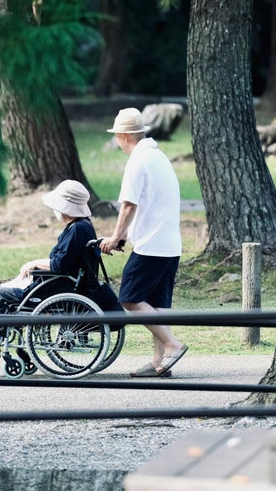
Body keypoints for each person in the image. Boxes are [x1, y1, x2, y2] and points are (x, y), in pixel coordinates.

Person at [0, 179, 97, 361]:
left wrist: (36, 263)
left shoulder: (77, 229)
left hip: (57, 287)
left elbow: (61, 264)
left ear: (65, 207)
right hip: (64, 284)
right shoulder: (83, 226)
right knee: (9, 289)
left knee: (1, 295)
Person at [99, 108, 189, 378]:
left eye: (116, 136)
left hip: (152, 246)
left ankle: (173, 345)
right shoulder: (158, 157)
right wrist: (127, 235)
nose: (116, 140)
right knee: (156, 303)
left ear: (124, 135)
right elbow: (152, 205)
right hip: (170, 244)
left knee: (130, 298)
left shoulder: (138, 161)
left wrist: (115, 237)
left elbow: (129, 205)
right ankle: (160, 363)